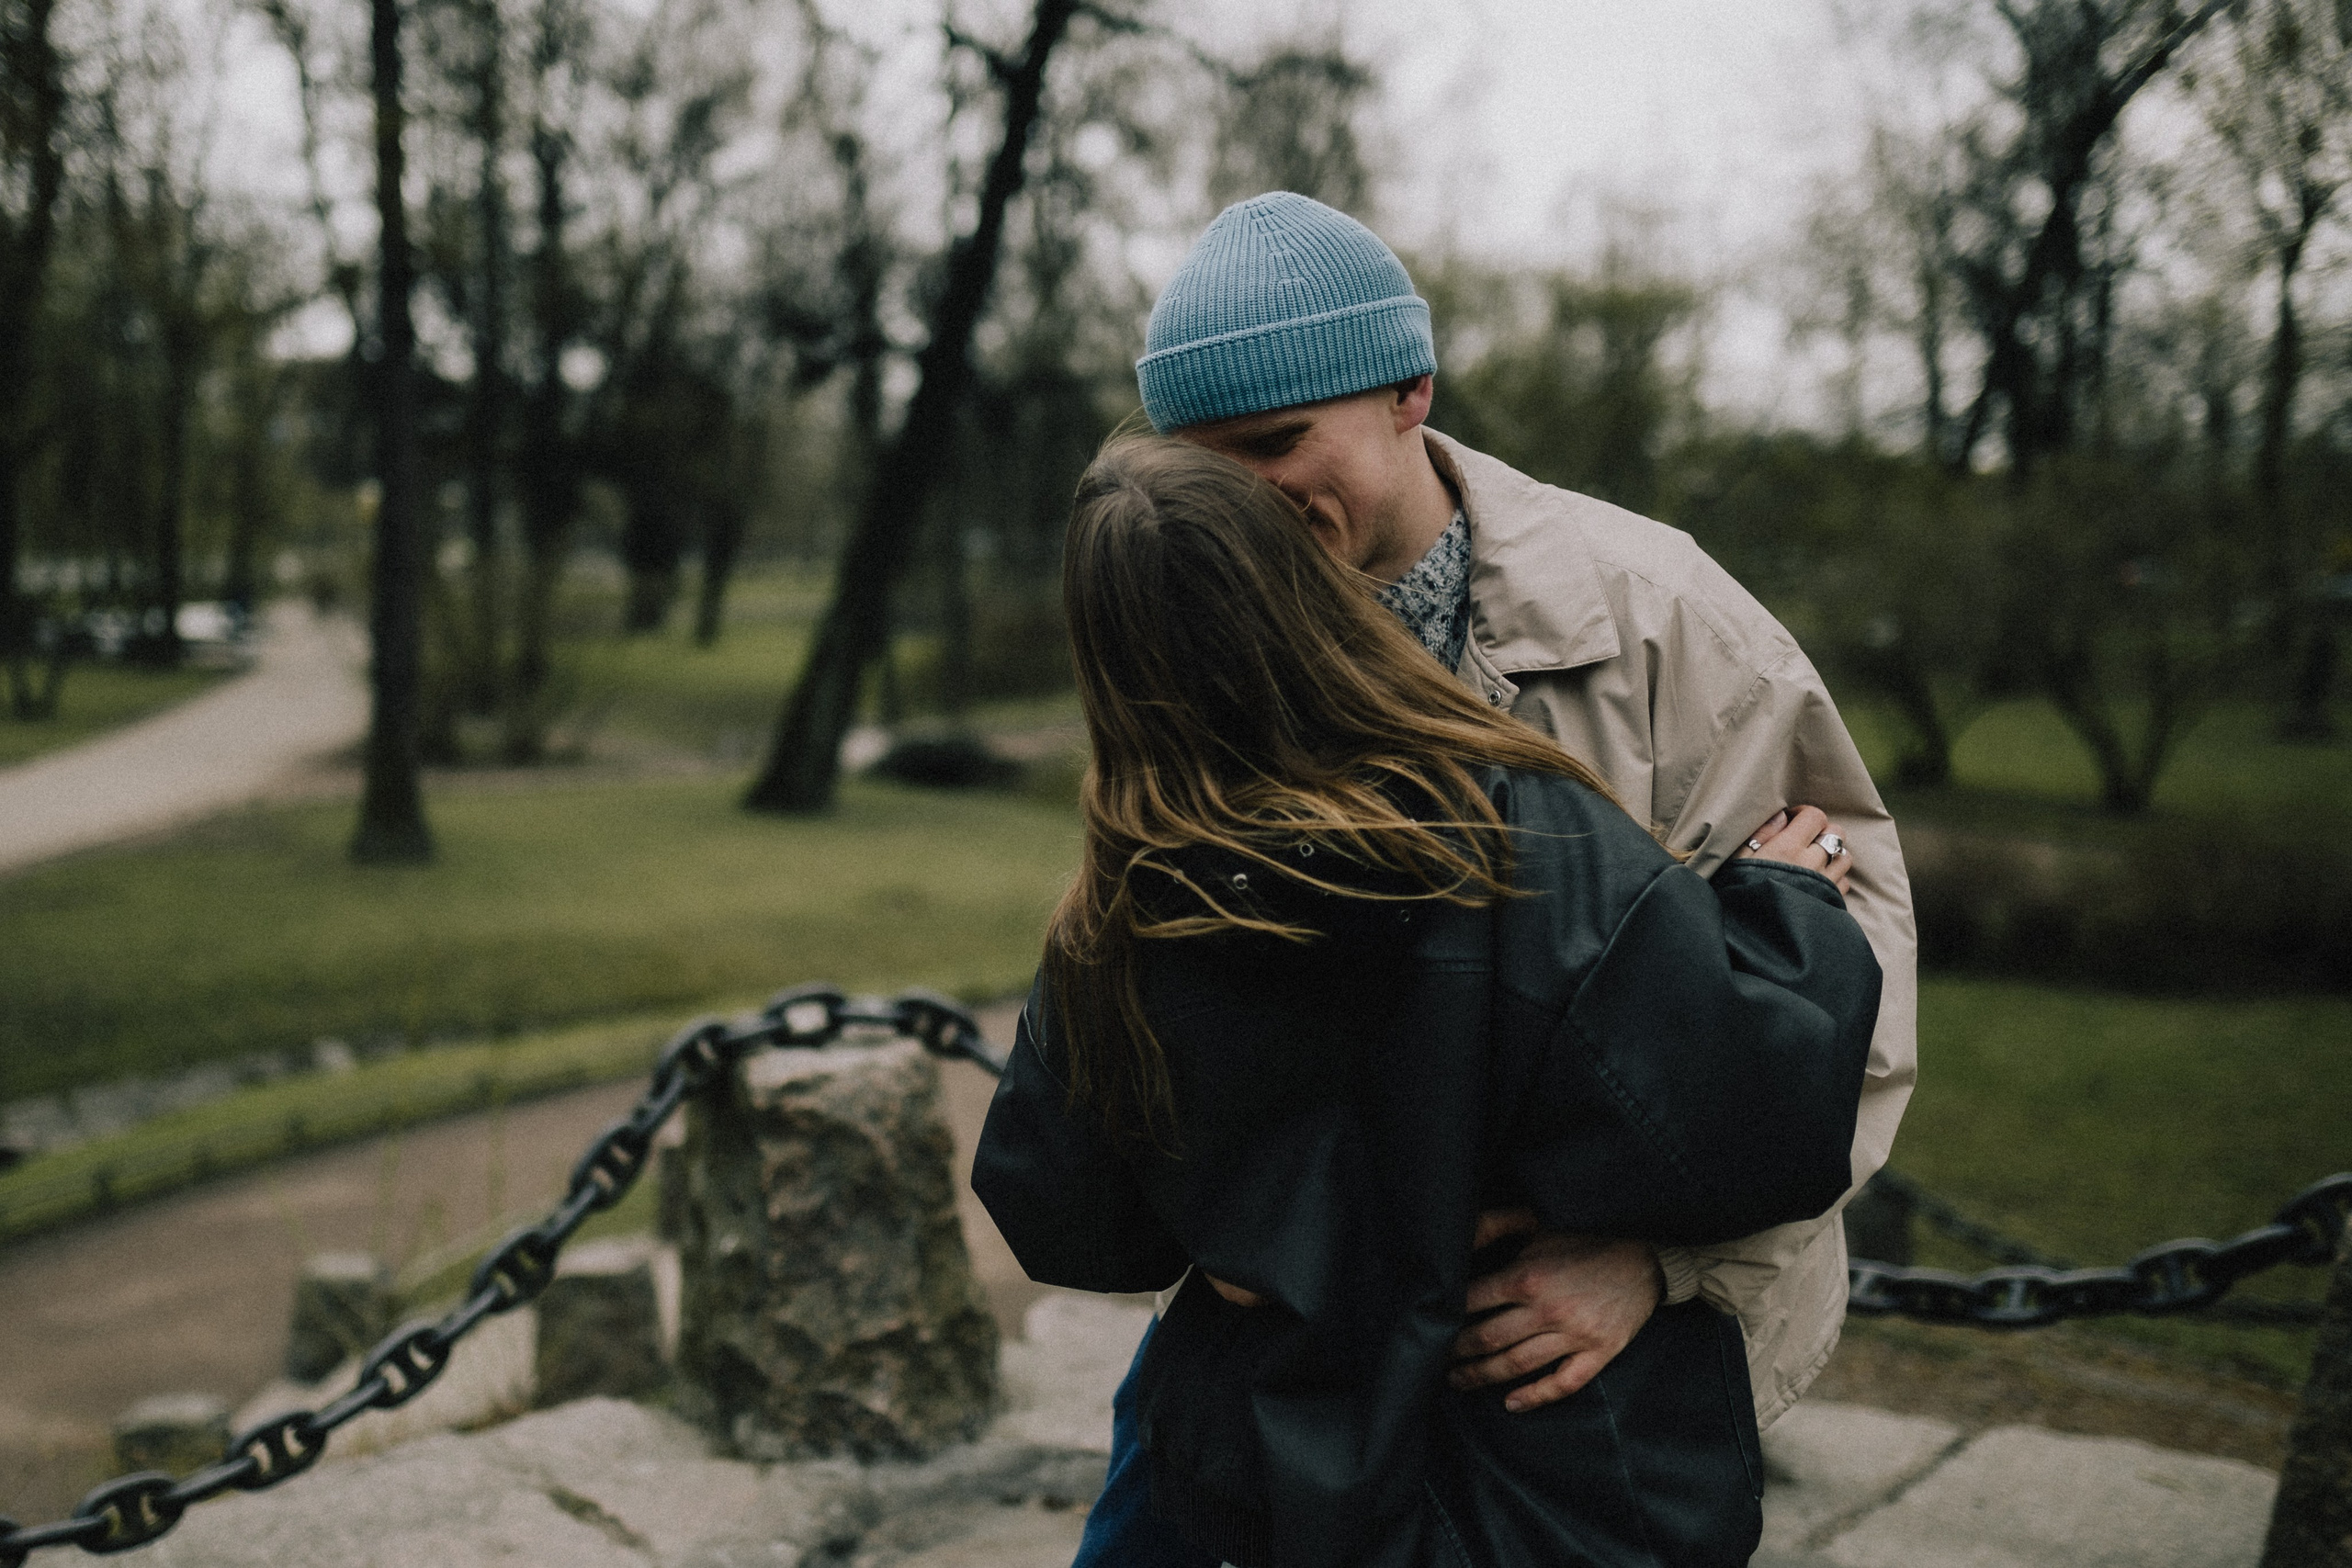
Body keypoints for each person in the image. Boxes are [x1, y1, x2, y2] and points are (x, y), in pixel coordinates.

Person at [1057, 190, 1920, 1568]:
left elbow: (1834, 1008)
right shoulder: (1200, 622)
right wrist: (1211, 1212)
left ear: (1411, 391)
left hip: (1553, 1376)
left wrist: (1667, 1264)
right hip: (1275, 1365)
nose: (1247, 504)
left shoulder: (1668, 621)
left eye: (1278, 445)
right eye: (1206, 466)